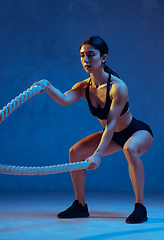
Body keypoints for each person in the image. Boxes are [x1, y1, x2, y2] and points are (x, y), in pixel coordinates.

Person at [33, 36, 153, 224]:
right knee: (75, 152)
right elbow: (64, 100)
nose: (86, 60)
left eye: (90, 55)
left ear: (103, 58)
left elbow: (112, 124)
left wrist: (97, 154)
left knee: (130, 150)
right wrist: (47, 86)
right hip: (112, 137)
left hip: (136, 132)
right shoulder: (83, 87)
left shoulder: (118, 87)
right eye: (82, 56)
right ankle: (80, 205)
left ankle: (140, 208)